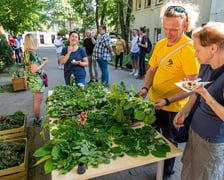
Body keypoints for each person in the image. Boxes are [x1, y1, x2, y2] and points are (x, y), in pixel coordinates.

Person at [138, 1, 200, 179]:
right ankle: (154, 160)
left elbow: (193, 86)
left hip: (173, 108)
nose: (168, 33)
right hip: (154, 102)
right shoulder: (160, 44)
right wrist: (145, 88)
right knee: (150, 133)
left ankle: (165, 173)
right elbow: (151, 70)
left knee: (169, 141)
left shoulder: (189, 49)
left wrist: (167, 101)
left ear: (186, 25)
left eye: (174, 29)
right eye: (165, 28)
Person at [173, 21, 224, 180]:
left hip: (211, 143)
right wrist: (184, 110)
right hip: (194, 132)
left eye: (197, 49)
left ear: (213, 48)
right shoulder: (205, 64)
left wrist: (206, 95)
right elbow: (197, 90)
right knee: (187, 171)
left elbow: (203, 92)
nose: (195, 54)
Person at [23, 33, 48, 125]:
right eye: (36, 39)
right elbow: (34, 70)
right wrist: (44, 63)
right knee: (37, 102)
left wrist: (41, 69)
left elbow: (30, 68)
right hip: (35, 81)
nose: (37, 40)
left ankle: (37, 118)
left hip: (31, 80)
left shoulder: (26, 53)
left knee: (36, 101)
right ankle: (38, 120)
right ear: (33, 41)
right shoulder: (32, 53)